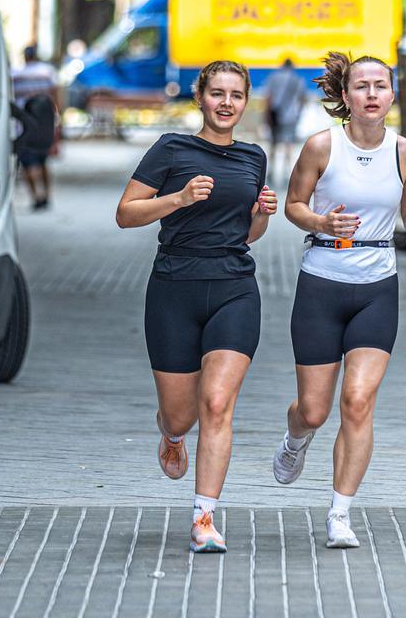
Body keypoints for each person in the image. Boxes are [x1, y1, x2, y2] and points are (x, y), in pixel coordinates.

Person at [116, 60, 278, 553]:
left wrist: (259, 215)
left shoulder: (254, 157)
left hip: (234, 288)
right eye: (217, 94)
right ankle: (169, 434)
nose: (226, 103)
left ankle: (204, 517)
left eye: (236, 95)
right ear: (200, 97)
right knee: (182, 415)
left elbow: (248, 235)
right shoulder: (172, 148)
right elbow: (125, 214)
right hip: (174, 290)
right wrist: (180, 199)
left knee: (217, 404)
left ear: (246, 101)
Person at [272, 51, 406, 548]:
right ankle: (295, 438)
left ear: (392, 95)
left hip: (377, 287)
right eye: (361, 86)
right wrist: (321, 222)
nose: (370, 94)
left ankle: (340, 513)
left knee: (358, 402)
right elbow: (294, 206)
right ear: (345, 96)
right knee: (315, 410)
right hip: (321, 282)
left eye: (380, 86)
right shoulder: (322, 147)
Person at [12, 45, 60, 210]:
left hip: (23, 125)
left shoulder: (16, 74)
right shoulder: (47, 72)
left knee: (28, 163)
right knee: (43, 160)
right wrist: (58, 118)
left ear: (25, 57)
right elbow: (55, 95)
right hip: (46, 125)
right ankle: (46, 195)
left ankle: (36, 197)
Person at [264, 58, 309, 185]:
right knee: (288, 145)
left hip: (276, 115)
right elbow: (303, 99)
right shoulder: (298, 79)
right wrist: (298, 114)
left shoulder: (274, 77)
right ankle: (286, 174)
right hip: (291, 117)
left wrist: (267, 115)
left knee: (273, 144)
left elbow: (268, 97)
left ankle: (271, 173)